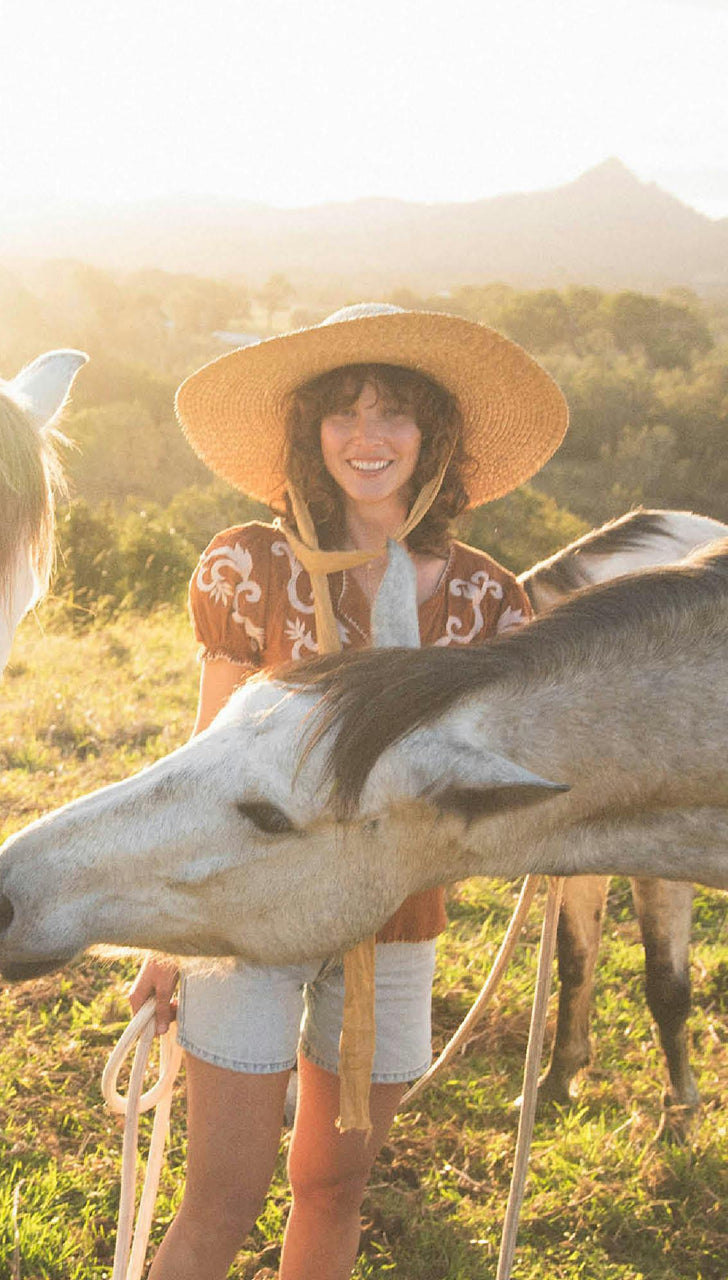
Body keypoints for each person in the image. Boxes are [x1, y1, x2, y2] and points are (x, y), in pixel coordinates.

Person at [129, 303, 568, 1280]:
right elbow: (206, 756)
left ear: (433, 437)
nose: (367, 439)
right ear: (310, 431)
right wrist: (169, 929)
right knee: (225, 1196)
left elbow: (493, 773)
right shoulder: (253, 565)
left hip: (397, 919)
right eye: (344, 414)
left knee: (333, 1186)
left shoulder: (490, 601)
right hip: (251, 911)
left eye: (394, 414)